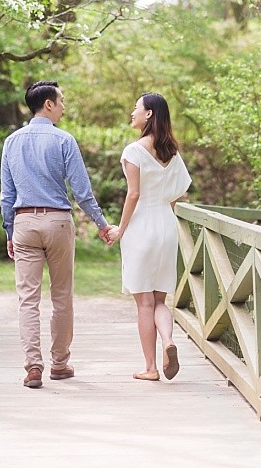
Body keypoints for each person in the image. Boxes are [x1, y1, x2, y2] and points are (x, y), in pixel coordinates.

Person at [0, 80, 116, 389]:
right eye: (61, 101)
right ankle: (60, 364)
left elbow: (6, 194)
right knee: (62, 297)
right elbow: (82, 191)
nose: (64, 106)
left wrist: (10, 230)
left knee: (27, 299)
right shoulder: (64, 140)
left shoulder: (12, 142)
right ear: (48, 104)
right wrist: (101, 224)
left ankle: (33, 367)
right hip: (58, 223)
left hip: (24, 222)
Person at [103, 93, 191, 382]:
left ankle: (151, 368)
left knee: (144, 303)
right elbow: (180, 192)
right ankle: (168, 341)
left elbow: (134, 194)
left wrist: (120, 229)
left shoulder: (134, 151)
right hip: (166, 225)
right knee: (160, 300)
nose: (132, 112)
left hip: (142, 227)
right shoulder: (172, 152)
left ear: (149, 114)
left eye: (136, 109)